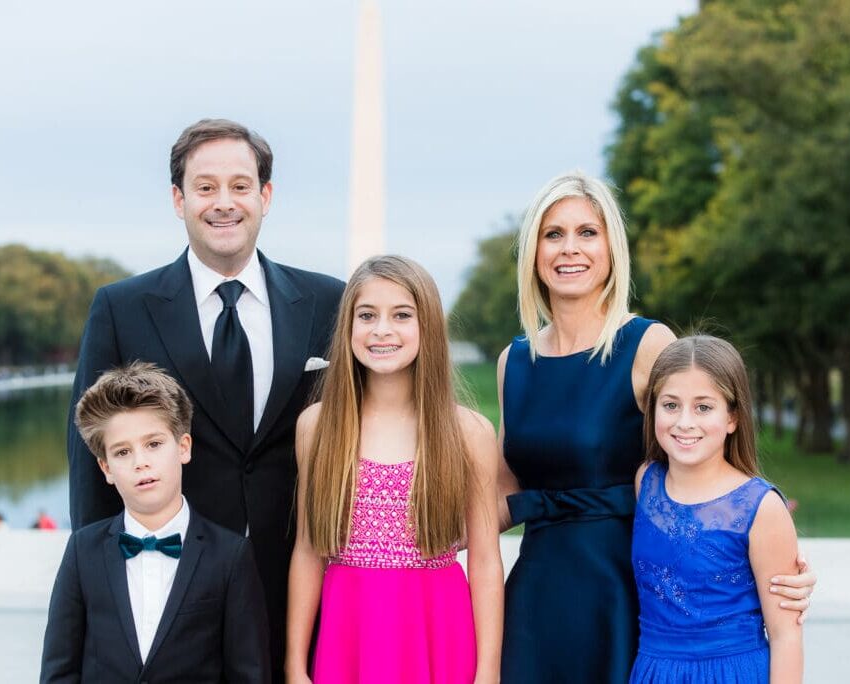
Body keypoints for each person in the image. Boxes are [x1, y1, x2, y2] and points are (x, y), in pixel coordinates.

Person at [496, 172, 814, 682]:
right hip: (538, 594)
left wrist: (779, 563)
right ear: (533, 250)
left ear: (612, 248)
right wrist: (406, 539)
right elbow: (501, 494)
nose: (568, 249)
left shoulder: (647, 343)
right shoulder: (513, 361)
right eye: (553, 234)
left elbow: (703, 446)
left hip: (626, 593)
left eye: (587, 232)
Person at [66, 118, 344, 680]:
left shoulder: (328, 301)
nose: (224, 203)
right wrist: (98, 593)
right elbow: (90, 460)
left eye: (241, 186)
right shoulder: (122, 308)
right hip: (172, 598)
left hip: (298, 585)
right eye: (206, 186)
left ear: (265, 196)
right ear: (179, 198)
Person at [286, 256, 503, 683]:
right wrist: (295, 665)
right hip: (350, 635)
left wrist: (488, 671)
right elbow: (309, 551)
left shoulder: (467, 432)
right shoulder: (317, 426)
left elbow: (485, 561)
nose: (382, 329)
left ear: (429, 327)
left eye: (401, 315)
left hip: (438, 633)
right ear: (348, 326)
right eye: (367, 315)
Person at [42, 362, 270, 683]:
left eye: (153, 444)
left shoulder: (230, 556)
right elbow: (58, 672)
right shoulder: (82, 551)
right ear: (106, 468)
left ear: (183, 447)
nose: (141, 462)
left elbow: (249, 675)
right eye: (122, 452)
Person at [631, 335, 802, 682]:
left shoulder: (761, 507)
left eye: (703, 407)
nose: (684, 422)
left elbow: (786, 636)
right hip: (655, 670)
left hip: (730, 672)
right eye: (671, 405)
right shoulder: (646, 482)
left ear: (732, 418)